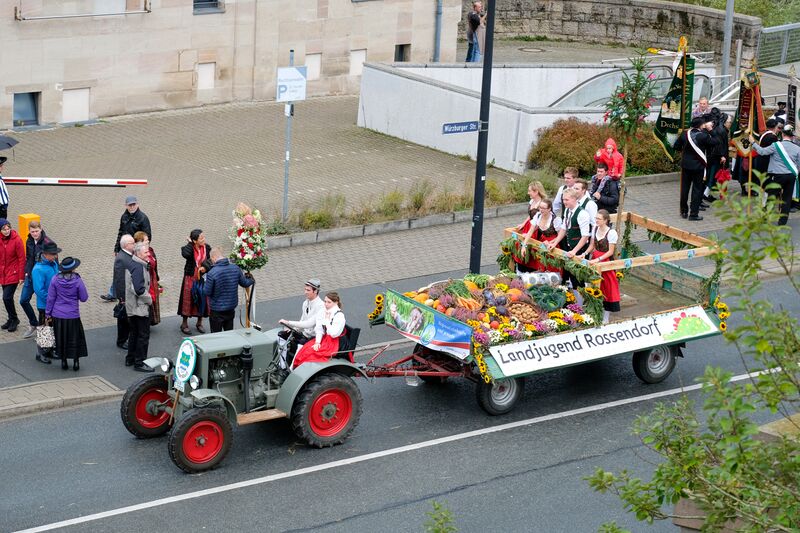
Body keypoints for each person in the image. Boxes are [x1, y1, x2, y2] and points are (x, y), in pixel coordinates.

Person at [101, 196, 152, 301]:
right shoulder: (124, 216)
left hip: (135, 251)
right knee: (119, 271)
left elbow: (147, 237)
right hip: (124, 249)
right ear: (126, 206)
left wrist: (140, 250)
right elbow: (120, 232)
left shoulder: (143, 218)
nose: (132, 206)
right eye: (130, 205)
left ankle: (140, 290)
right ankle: (113, 293)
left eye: (134, 204)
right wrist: (116, 248)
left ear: (137, 204)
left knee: (135, 272)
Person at [751, 125, 800, 226]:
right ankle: (782, 222)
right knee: (787, 198)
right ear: (792, 136)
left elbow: (762, 152)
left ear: (782, 134)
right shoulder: (797, 148)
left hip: (777, 175)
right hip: (791, 175)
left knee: (771, 197)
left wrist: (753, 143)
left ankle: (765, 217)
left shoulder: (776, 145)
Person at [45, 257, 88, 371]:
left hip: (58, 315)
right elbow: (84, 298)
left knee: (61, 338)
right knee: (74, 338)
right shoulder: (77, 280)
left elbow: (50, 298)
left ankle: (63, 361)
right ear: (73, 269)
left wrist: (48, 313)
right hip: (73, 315)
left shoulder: (55, 279)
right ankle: (76, 362)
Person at [546, 189, 591, 289]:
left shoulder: (582, 214)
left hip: (579, 248)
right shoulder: (567, 210)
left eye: (567, 200)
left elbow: (585, 236)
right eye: (563, 199)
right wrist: (555, 242)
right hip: (569, 245)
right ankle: (571, 299)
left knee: (577, 277)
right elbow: (563, 228)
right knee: (567, 273)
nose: (564, 202)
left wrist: (574, 251)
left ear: (574, 199)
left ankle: (580, 301)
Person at [204, 247, 255, 333]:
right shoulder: (235, 268)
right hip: (231, 308)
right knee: (229, 333)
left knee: (215, 336)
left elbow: (207, 292)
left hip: (217, 310)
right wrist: (251, 280)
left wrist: (204, 283)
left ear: (213, 258)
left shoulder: (212, 273)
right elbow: (245, 283)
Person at [673, 115, 715, 221]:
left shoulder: (684, 134)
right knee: (697, 190)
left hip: (686, 165)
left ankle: (683, 211)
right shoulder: (704, 136)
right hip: (698, 166)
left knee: (684, 189)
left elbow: (676, 147)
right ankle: (693, 214)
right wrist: (710, 130)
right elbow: (716, 142)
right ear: (701, 125)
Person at [278, 279, 324, 369]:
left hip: (313, 337)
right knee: (281, 335)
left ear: (315, 291)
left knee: (301, 343)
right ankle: (282, 365)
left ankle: (292, 369)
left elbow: (309, 324)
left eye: (308, 290)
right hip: (304, 334)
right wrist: (293, 328)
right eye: (305, 289)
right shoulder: (305, 303)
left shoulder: (321, 306)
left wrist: (288, 322)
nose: (305, 292)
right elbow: (303, 319)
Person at [292, 291, 346, 369]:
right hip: (326, 339)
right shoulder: (324, 311)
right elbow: (319, 328)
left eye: (329, 302)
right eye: (325, 301)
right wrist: (317, 342)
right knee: (306, 349)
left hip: (335, 342)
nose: (326, 304)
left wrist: (327, 321)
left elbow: (334, 334)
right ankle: (295, 368)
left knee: (312, 354)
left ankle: (304, 370)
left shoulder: (339, 316)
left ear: (336, 302)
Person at [586, 210, 621, 324]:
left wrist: (598, 259)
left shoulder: (611, 233)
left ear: (605, 220)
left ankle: (605, 317)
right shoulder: (595, 229)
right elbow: (592, 245)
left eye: (599, 219)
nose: (596, 220)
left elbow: (610, 251)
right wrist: (584, 254)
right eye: (596, 218)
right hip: (595, 259)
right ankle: (595, 312)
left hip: (605, 261)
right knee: (594, 286)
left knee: (607, 288)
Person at [19, 220, 51, 339]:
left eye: (36, 231)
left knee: (42, 306)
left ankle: (44, 335)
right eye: (32, 232)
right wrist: (26, 272)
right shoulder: (29, 240)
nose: (35, 234)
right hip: (31, 276)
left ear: (41, 229)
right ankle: (34, 324)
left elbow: (54, 263)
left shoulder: (47, 243)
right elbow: (29, 258)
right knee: (23, 300)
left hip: (42, 278)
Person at [31, 241, 60, 364]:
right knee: (44, 327)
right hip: (45, 305)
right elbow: (39, 290)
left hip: (54, 303)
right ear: (46, 254)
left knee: (51, 327)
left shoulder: (53, 264)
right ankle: (41, 353)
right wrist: (52, 299)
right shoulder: (38, 269)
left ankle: (49, 350)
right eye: (53, 254)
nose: (55, 256)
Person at [126, 243, 153, 371]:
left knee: (134, 333)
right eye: (146, 252)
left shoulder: (133, 263)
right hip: (140, 308)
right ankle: (140, 362)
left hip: (133, 307)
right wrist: (150, 299)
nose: (149, 254)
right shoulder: (138, 267)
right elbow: (138, 289)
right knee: (143, 335)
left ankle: (130, 358)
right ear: (138, 254)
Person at [179, 229, 212, 335]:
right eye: (201, 238)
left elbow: (210, 261)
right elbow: (186, 254)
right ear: (194, 240)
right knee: (188, 300)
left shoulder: (207, 247)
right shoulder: (188, 248)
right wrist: (190, 243)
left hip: (202, 277)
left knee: (202, 299)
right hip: (190, 277)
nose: (204, 240)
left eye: (204, 237)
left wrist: (205, 267)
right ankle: (184, 323)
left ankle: (199, 322)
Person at [520, 199, 562, 274]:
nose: (541, 210)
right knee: (542, 262)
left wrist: (550, 242)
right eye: (540, 207)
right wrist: (524, 245)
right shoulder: (538, 215)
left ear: (549, 209)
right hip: (543, 241)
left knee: (551, 265)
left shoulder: (555, 219)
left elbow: (561, 236)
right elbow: (531, 231)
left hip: (553, 243)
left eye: (543, 208)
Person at [0, 218, 25, 333]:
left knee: (6, 297)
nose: (6, 231)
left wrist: (21, 276)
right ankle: (11, 318)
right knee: (6, 298)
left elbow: (21, 259)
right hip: (3, 274)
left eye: (8, 228)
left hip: (14, 273)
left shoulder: (17, 240)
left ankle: (14, 319)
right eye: (4, 229)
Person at [113, 234, 136, 350]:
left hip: (129, 294)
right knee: (123, 320)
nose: (134, 244)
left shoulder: (127, 255)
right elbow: (120, 279)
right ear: (127, 245)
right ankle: (121, 341)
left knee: (127, 320)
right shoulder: (121, 259)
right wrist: (122, 298)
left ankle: (125, 338)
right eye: (133, 243)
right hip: (125, 296)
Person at [133, 231, 161, 326]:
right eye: (146, 240)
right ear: (140, 242)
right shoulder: (139, 253)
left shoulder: (151, 250)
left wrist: (157, 277)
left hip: (152, 278)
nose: (148, 241)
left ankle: (151, 320)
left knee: (153, 300)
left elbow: (155, 264)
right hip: (146, 280)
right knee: (147, 299)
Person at [703, 112, 731, 203]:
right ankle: (706, 194)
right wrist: (722, 156)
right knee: (713, 176)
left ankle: (707, 193)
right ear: (724, 122)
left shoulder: (721, 129)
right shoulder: (721, 130)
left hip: (715, 156)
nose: (730, 124)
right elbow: (718, 145)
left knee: (713, 176)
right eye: (729, 122)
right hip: (717, 157)